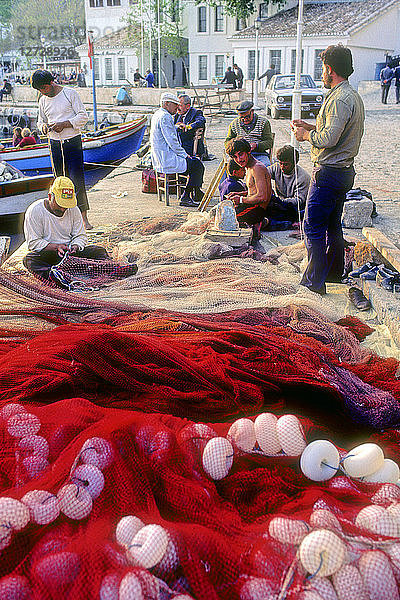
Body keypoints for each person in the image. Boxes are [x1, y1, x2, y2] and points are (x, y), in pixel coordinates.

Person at [291, 44, 365, 295]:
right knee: (333, 225)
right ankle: (333, 274)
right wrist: (310, 126)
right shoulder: (350, 95)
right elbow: (336, 130)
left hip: (330, 172)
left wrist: (305, 136)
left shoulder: (340, 98)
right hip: (343, 172)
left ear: (329, 69)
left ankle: (314, 283)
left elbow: (330, 138)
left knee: (312, 225)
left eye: (323, 68)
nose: (322, 73)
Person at [31, 69, 92, 230]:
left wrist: (64, 124)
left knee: (76, 179)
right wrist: (43, 127)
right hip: (54, 143)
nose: (42, 92)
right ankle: (62, 217)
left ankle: (83, 218)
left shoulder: (70, 94)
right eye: (39, 90)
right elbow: (40, 121)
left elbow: (83, 116)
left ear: (51, 83)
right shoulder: (43, 100)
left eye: (43, 88)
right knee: (58, 180)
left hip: (72, 141)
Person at [23, 176, 109, 283]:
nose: (63, 209)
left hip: (70, 254)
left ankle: (103, 270)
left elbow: (80, 236)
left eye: (66, 205)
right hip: (49, 255)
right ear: (50, 197)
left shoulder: (74, 209)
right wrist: (55, 247)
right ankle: (58, 278)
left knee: (98, 251)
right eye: (60, 204)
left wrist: (75, 246)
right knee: (30, 260)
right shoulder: (35, 211)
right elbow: (33, 243)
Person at [150, 92, 205, 207]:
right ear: (166, 104)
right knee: (197, 165)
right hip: (167, 158)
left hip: (160, 157)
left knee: (194, 163)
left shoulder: (158, 114)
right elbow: (172, 141)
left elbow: (166, 131)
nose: (177, 108)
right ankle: (186, 196)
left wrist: (175, 127)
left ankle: (196, 193)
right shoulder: (165, 116)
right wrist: (185, 155)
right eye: (175, 105)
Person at [225, 138, 272, 228]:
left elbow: (263, 197)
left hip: (258, 210)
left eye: (241, 154)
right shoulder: (248, 166)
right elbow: (255, 191)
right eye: (235, 157)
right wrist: (240, 194)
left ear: (248, 151)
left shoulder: (257, 168)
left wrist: (241, 199)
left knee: (226, 219)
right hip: (252, 206)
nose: (239, 159)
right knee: (223, 211)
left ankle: (261, 223)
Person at [266, 145, 311, 224]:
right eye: (281, 163)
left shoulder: (302, 177)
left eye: (286, 164)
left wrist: (279, 201)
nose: (282, 167)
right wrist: (267, 188)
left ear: (294, 163)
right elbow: (263, 174)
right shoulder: (277, 167)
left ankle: (287, 224)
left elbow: (298, 200)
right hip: (280, 203)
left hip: (295, 207)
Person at [225, 100, 274, 166]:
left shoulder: (263, 122)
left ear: (252, 111)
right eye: (242, 117)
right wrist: (234, 147)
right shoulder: (234, 124)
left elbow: (269, 142)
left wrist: (257, 145)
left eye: (247, 117)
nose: (245, 119)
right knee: (229, 169)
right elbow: (227, 141)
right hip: (240, 155)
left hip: (258, 154)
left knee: (265, 166)